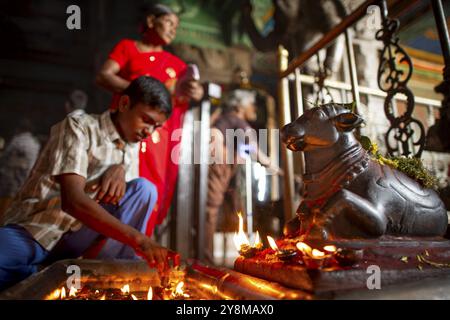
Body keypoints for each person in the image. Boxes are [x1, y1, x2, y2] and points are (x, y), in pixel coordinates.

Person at [0, 76, 171, 291]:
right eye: (146, 119)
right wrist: (140, 240)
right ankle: (40, 272)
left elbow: (126, 205)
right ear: (124, 104)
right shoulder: (79, 126)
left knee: (145, 190)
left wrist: (119, 168)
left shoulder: (131, 148)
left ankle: (101, 273)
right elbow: (72, 201)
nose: (149, 132)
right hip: (38, 229)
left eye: (156, 126)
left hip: (77, 240)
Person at [96, 4, 204, 237]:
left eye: (177, 27)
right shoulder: (128, 47)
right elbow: (104, 75)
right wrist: (144, 94)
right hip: (125, 129)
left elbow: (192, 91)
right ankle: (105, 245)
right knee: (115, 183)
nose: (173, 30)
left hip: (158, 137)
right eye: (169, 23)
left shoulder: (175, 64)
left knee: (151, 186)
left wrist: (196, 92)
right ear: (151, 20)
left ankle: (140, 246)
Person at [205, 89, 282, 264]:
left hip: (221, 170)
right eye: (251, 105)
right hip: (218, 169)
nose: (254, 108)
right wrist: (272, 166)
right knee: (209, 212)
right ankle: (205, 260)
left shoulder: (226, 119)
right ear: (240, 106)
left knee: (212, 212)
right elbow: (253, 149)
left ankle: (206, 258)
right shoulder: (235, 120)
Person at [0, 119, 41, 218]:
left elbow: (4, 158)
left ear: (19, 129)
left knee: (3, 209)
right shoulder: (35, 143)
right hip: (25, 181)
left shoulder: (17, 141)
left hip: (11, 182)